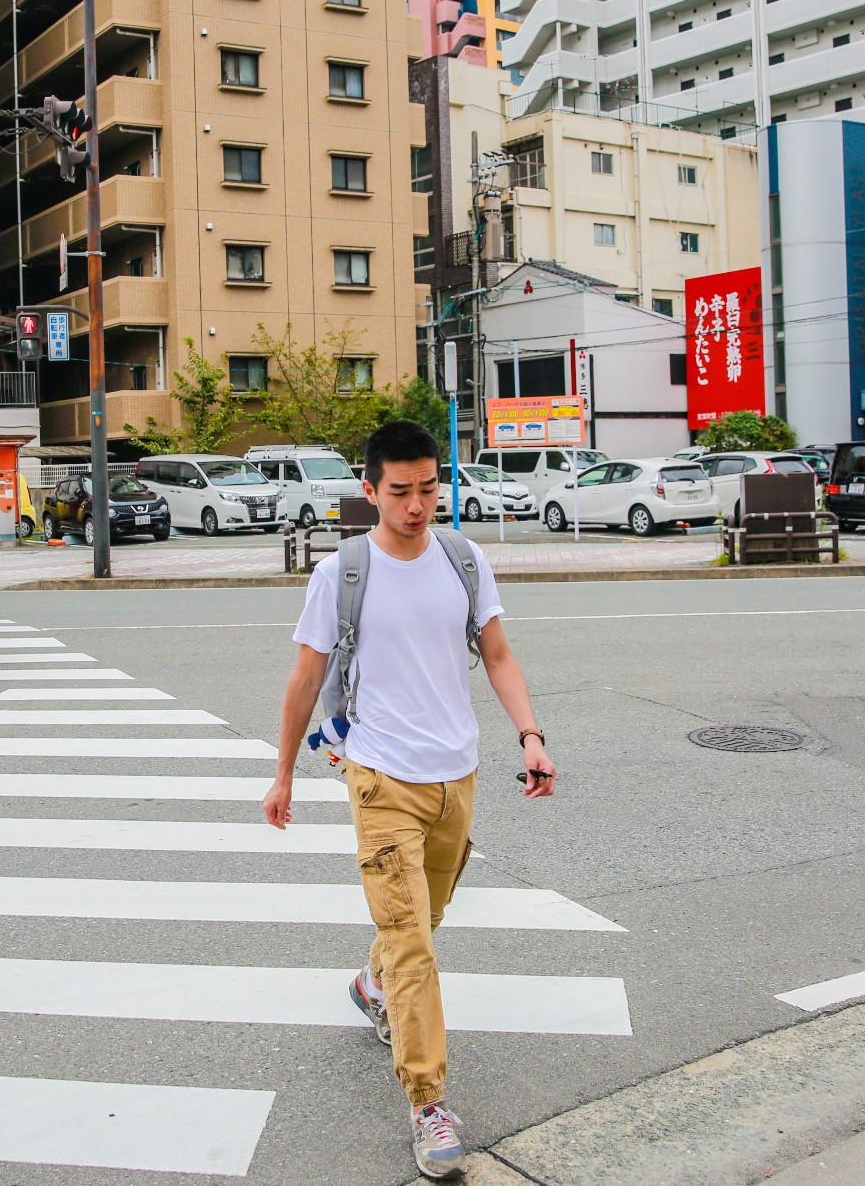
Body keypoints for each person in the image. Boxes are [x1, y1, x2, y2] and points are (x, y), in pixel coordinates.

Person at [263, 420, 557, 1182]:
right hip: (380, 775)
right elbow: (304, 679)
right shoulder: (343, 572)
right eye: (401, 491)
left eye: (430, 487)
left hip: (457, 773)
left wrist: (530, 733)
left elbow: (496, 651)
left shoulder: (463, 559)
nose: (418, 504)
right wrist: (285, 771)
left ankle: (371, 984)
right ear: (370, 490)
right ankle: (429, 1101)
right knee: (413, 940)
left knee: (422, 920)